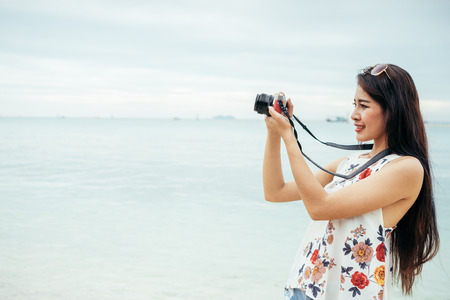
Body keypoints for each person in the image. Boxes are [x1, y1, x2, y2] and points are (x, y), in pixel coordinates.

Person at [262, 64, 439, 300]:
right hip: (303, 289)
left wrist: (289, 137)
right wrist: (274, 132)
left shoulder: (406, 168)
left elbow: (319, 208)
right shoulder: (348, 163)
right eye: (354, 104)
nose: (354, 114)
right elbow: (275, 191)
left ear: (393, 110)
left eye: (364, 106)